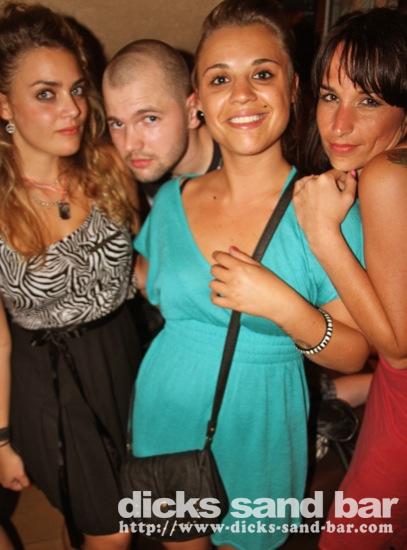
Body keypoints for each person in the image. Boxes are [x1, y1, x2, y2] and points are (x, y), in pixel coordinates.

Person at [131, 1, 369, 549]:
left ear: (293, 89)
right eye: (220, 79)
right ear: (197, 101)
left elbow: (353, 353)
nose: (241, 95)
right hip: (164, 411)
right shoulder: (171, 201)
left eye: (262, 74)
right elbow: (151, 282)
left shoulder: (326, 208)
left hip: (262, 427)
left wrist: (283, 305)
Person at [0, 3, 141, 549]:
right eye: (46, 94)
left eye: (77, 89)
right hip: (50, 386)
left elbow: (139, 267)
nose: (73, 109)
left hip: (128, 360)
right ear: (4, 105)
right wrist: (2, 440)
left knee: (132, 511)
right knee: (114, 533)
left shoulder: (110, 167)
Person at [293, 8, 407, 548]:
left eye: (368, 101)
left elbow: (398, 346)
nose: (339, 125)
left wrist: (322, 233)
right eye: (330, 95)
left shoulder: (388, 174)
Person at [102, 39, 221, 204]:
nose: (130, 145)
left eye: (149, 119)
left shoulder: (245, 169)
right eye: (117, 124)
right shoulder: (121, 180)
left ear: (192, 111)